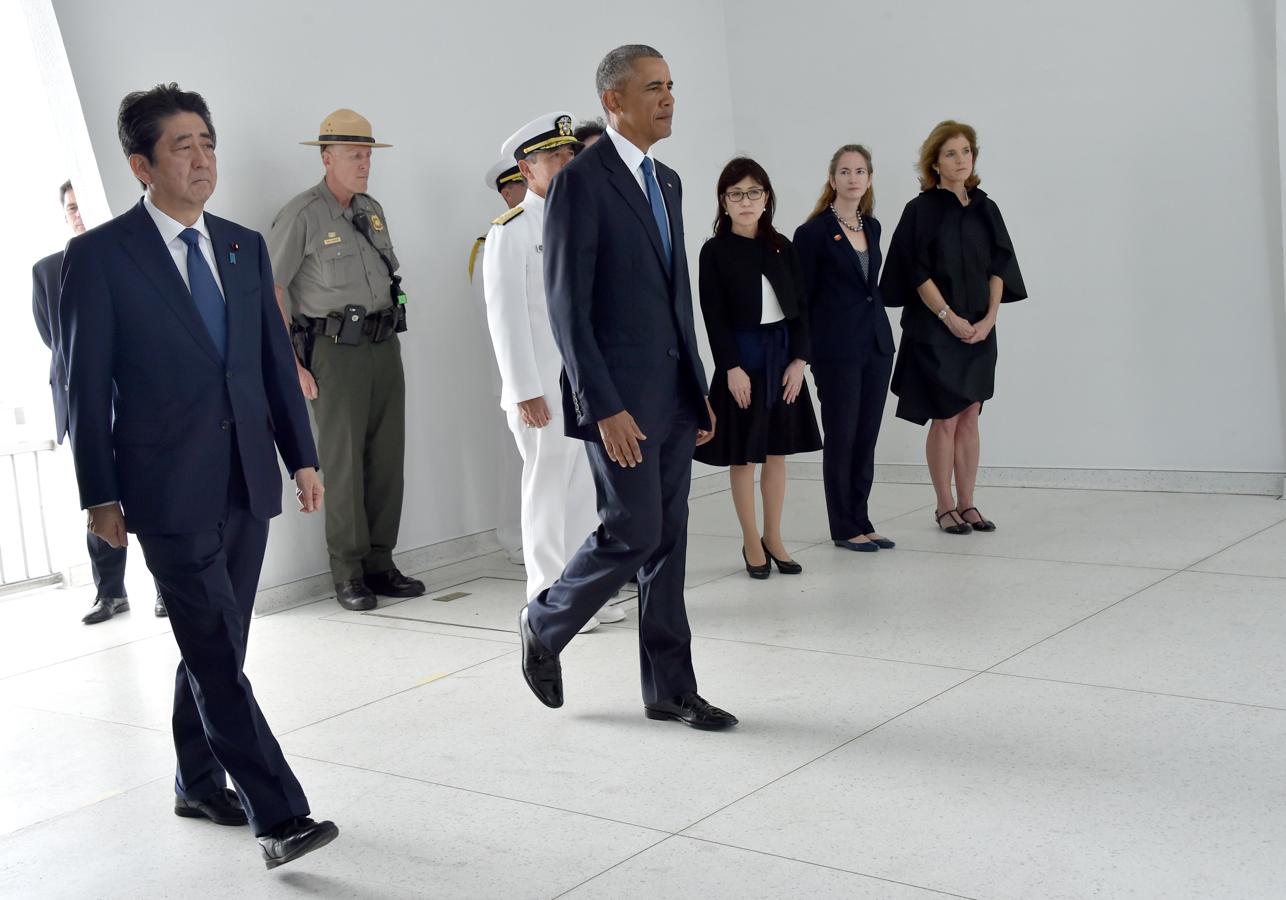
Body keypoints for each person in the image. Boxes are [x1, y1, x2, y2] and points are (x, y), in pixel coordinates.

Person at [59, 83, 337, 868]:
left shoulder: (244, 246)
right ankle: (279, 814)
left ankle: (193, 777)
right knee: (213, 641)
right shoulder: (101, 257)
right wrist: (98, 495)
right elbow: (85, 387)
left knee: (221, 642)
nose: (201, 157)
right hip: (163, 484)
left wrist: (303, 456)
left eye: (207, 141)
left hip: (247, 472)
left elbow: (269, 365)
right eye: (182, 146)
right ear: (141, 164)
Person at [518, 44, 737, 731]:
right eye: (652, 88)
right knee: (633, 530)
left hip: (672, 395)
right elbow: (567, 308)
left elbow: (677, 299)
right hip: (619, 400)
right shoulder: (581, 182)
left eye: (671, 86)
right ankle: (546, 621)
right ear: (614, 101)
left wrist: (696, 389)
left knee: (669, 537)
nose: (668, 98)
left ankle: (670, 688)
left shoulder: (667, 180)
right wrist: (601, 404)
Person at [268, 109, 425, 610]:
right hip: (333, 354)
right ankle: (348, 572)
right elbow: (270, 287)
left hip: (383, 345)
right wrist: (291, 364)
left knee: (386, 460)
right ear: (325, 156)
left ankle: (381, 563)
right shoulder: (302, 214)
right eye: (354, 155)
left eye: (368, 155)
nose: (364, 164)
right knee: (343, 462)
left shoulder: (370, 209)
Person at [483, 112, 625, 631]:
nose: (567, 164)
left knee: (587, 488)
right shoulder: (511, 231)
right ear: (527, 166)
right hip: (541, 386)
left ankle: (587, 592)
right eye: (555, 157)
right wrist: (523, 389)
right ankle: (547, 599)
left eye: (570, 155)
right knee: (546, 488)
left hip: (585, 386)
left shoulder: (578, 219)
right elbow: (506, 317)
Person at [881, 120, 1027, 533]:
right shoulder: (920, 210)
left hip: (981, 329)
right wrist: (949, 317)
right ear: (935, 162)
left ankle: (968, 503)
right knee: (945, 416)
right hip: (936, 330)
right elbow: (915, 271)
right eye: (950, 153)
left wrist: (989, 319)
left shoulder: (986, 207)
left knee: (971, 415)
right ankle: (944, 506)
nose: (960, 159)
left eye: (965, 151)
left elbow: (1000, 265)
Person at [32, 181, 166, 622]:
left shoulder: (131, 258)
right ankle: (110, 592)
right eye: (70, 209)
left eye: (81, 205)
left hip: (133, 395)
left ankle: (169, 585)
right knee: (99, 495)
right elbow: (56, 340)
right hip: (83, 398)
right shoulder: (48, 270)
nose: (77, 214)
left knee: (151, 493)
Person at [694, 157, 821, 578]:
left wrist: (800, 361)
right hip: (742, 362)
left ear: (766, 198)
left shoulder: (782, 246)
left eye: (754, 192)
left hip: (782, 360)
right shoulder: (714, 252)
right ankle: (751, 540)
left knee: (777, 454)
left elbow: (801, 308)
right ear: (723, 202)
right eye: (736, 194)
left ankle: (774, 536)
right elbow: (713, 316)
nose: (746, 201)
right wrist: (730, 367)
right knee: (743, 458)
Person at [793, 145, 896, 552]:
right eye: (845, 171)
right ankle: (843, 525)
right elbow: (802, 300)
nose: (853, 178)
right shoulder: (814, 232)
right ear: (832, 179)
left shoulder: (872, 227)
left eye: (860, 171)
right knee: (843, 435)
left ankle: (862, 518)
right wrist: (804, 353)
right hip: (836, 350)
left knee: (866, 436)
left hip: (875, 345)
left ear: (869, 179)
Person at [469, 158, 527, 565]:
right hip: (515, 376)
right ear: (507, 193)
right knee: (518, 461)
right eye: (521, 185)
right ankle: (513, 536)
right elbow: (497, 321)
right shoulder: (490, 245)